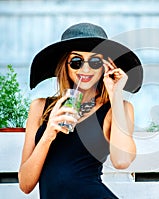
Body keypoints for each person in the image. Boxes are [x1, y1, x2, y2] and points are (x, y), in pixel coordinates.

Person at [18, 22, 143, 199]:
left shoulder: (118, 108)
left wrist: (115, 94)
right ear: (65, 65)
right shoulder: (40, 107)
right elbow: (25, 184)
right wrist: (48, 134)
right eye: (76, 61)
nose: (85, 69)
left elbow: (122, 161)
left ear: (105, 67)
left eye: (95, 61)